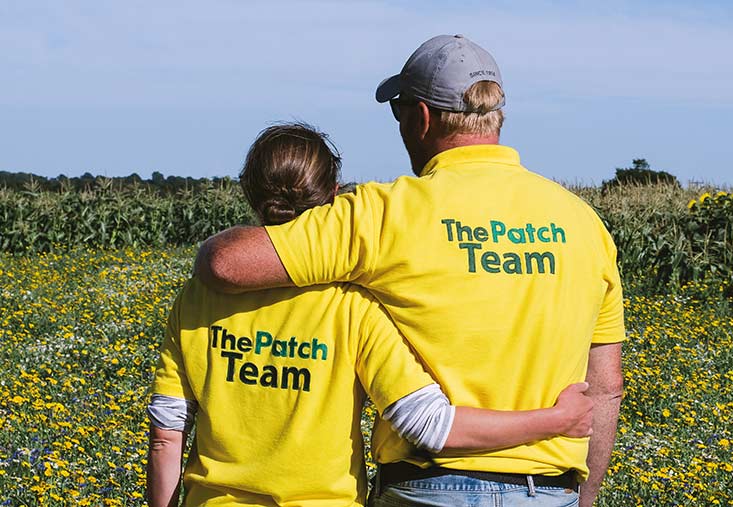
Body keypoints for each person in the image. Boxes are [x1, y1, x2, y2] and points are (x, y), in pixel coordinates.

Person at [195, 35, 625, 507]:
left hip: (426, 487)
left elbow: (225, 263)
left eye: (398, 113)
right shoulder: (583, 223)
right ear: (494, 115)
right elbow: (605, 389)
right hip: (549, 490)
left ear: (420, 118)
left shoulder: (383, 213)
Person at [146, 123, 596, 507]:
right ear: (334, 197)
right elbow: (429, 425)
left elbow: (168, 431)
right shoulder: (353, 306)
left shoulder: (196, 299)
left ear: (248, 190)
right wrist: (555, 421)